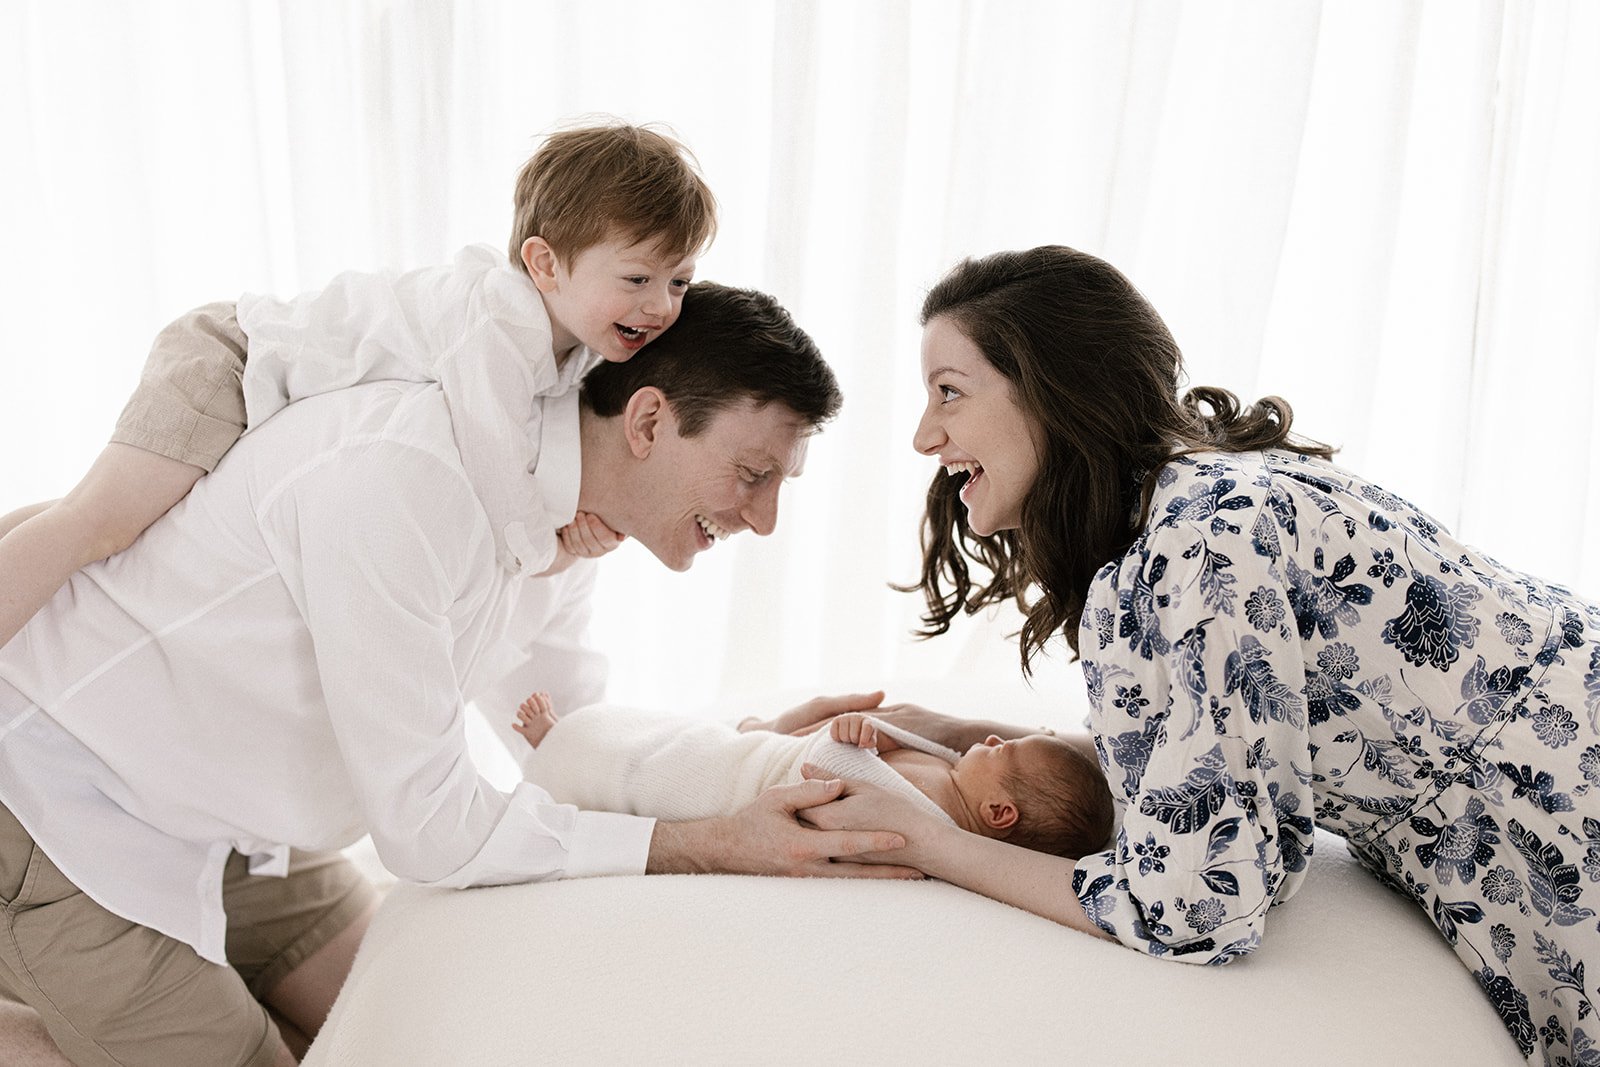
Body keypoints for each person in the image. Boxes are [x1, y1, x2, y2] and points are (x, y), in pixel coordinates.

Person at [0, 282, 914, 1067]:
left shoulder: (565, 521)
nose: (763, 520)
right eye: (753, 475)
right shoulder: (405, 479)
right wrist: (709, 843)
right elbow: (429, 829)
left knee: (418, 1036)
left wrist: (735, 761)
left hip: (245, 833)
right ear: (647, 421)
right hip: (64, 808)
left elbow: (559, 733)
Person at [795, 245, 1600, 1065]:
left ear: (1051, 394)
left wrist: (925, 840)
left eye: (950, 393)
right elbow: (1217, 746)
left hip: (1565, 818)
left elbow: (1192, 906)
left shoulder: (1190, 548)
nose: (925, 434)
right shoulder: (1215, 491)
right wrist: (969, 729)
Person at [0, 119, 715, 653]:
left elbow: (553, 454)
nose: (661, 307)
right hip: (229, 361)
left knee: (106, 521)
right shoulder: (501, 320)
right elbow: (494, 452)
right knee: (96, 527)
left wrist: (572, 522)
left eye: (679, 282)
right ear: (545, 263)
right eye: (637, 280)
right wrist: (545, 548)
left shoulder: (571, 348)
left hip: (249, 384)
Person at [510, 691, 1114, 860]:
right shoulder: (948, 777)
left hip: (741, 786)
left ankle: (560, 747)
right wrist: (873, 732)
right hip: (754, 751)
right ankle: (567, 736)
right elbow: (884, 746)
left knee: (651, 774)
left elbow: (826, 776)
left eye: (1003, 752)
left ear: (999, 813)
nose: (989, 740)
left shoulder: (930, 821)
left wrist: (848, 743)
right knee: (672, 733)